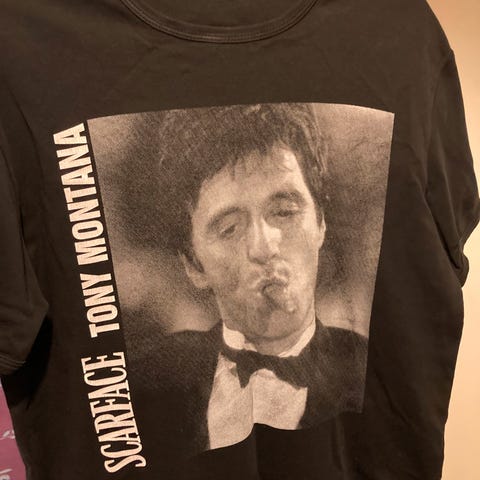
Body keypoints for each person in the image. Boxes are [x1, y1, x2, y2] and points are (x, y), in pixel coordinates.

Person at [118, 103, 368, 456]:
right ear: (193, 265)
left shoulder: (375, 373)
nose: (264, 247)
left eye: (284, 212)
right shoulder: (141, 386)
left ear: (321, 223)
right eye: (229, 229)